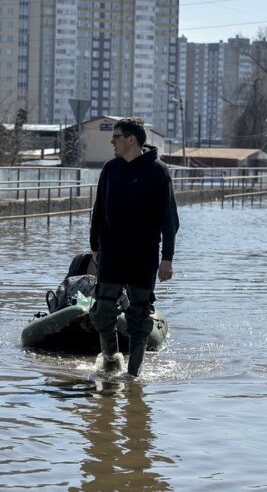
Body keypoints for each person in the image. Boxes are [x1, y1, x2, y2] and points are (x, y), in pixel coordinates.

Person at [89, 117, 179, 377]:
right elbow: (99, 210)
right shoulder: (110, 169)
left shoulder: (158, 172)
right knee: (102, 311)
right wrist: (94, 244)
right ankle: (110, 361)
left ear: (131, 139)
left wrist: (168, 258)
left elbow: (169, 219)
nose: (112, 142)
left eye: (116, 137)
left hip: (144, 256)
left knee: (138, 320)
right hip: (112, 254)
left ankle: (133, 375)